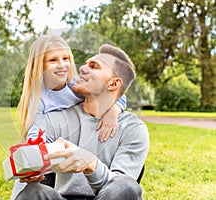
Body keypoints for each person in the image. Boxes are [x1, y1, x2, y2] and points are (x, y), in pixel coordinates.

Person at [14, 44, 149, 200]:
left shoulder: (133, 129)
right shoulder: (54, 120)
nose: (82, 69)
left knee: (126, 186)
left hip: (104, 196)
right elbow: (36, 167)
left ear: (113, 84)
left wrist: (90, 164)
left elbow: (121, 190)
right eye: (85, 64)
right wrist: (33, 173)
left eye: (94, 66)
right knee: (33, 191)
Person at [17, 35, 127, 143]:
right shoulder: (38, 99)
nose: (61, 65)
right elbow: (36, 131)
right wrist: (35, 148)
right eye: (53, 60)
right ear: (40, 66)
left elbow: (115, 92)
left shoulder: (77, 85)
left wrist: (114, 111)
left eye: (65, 58)